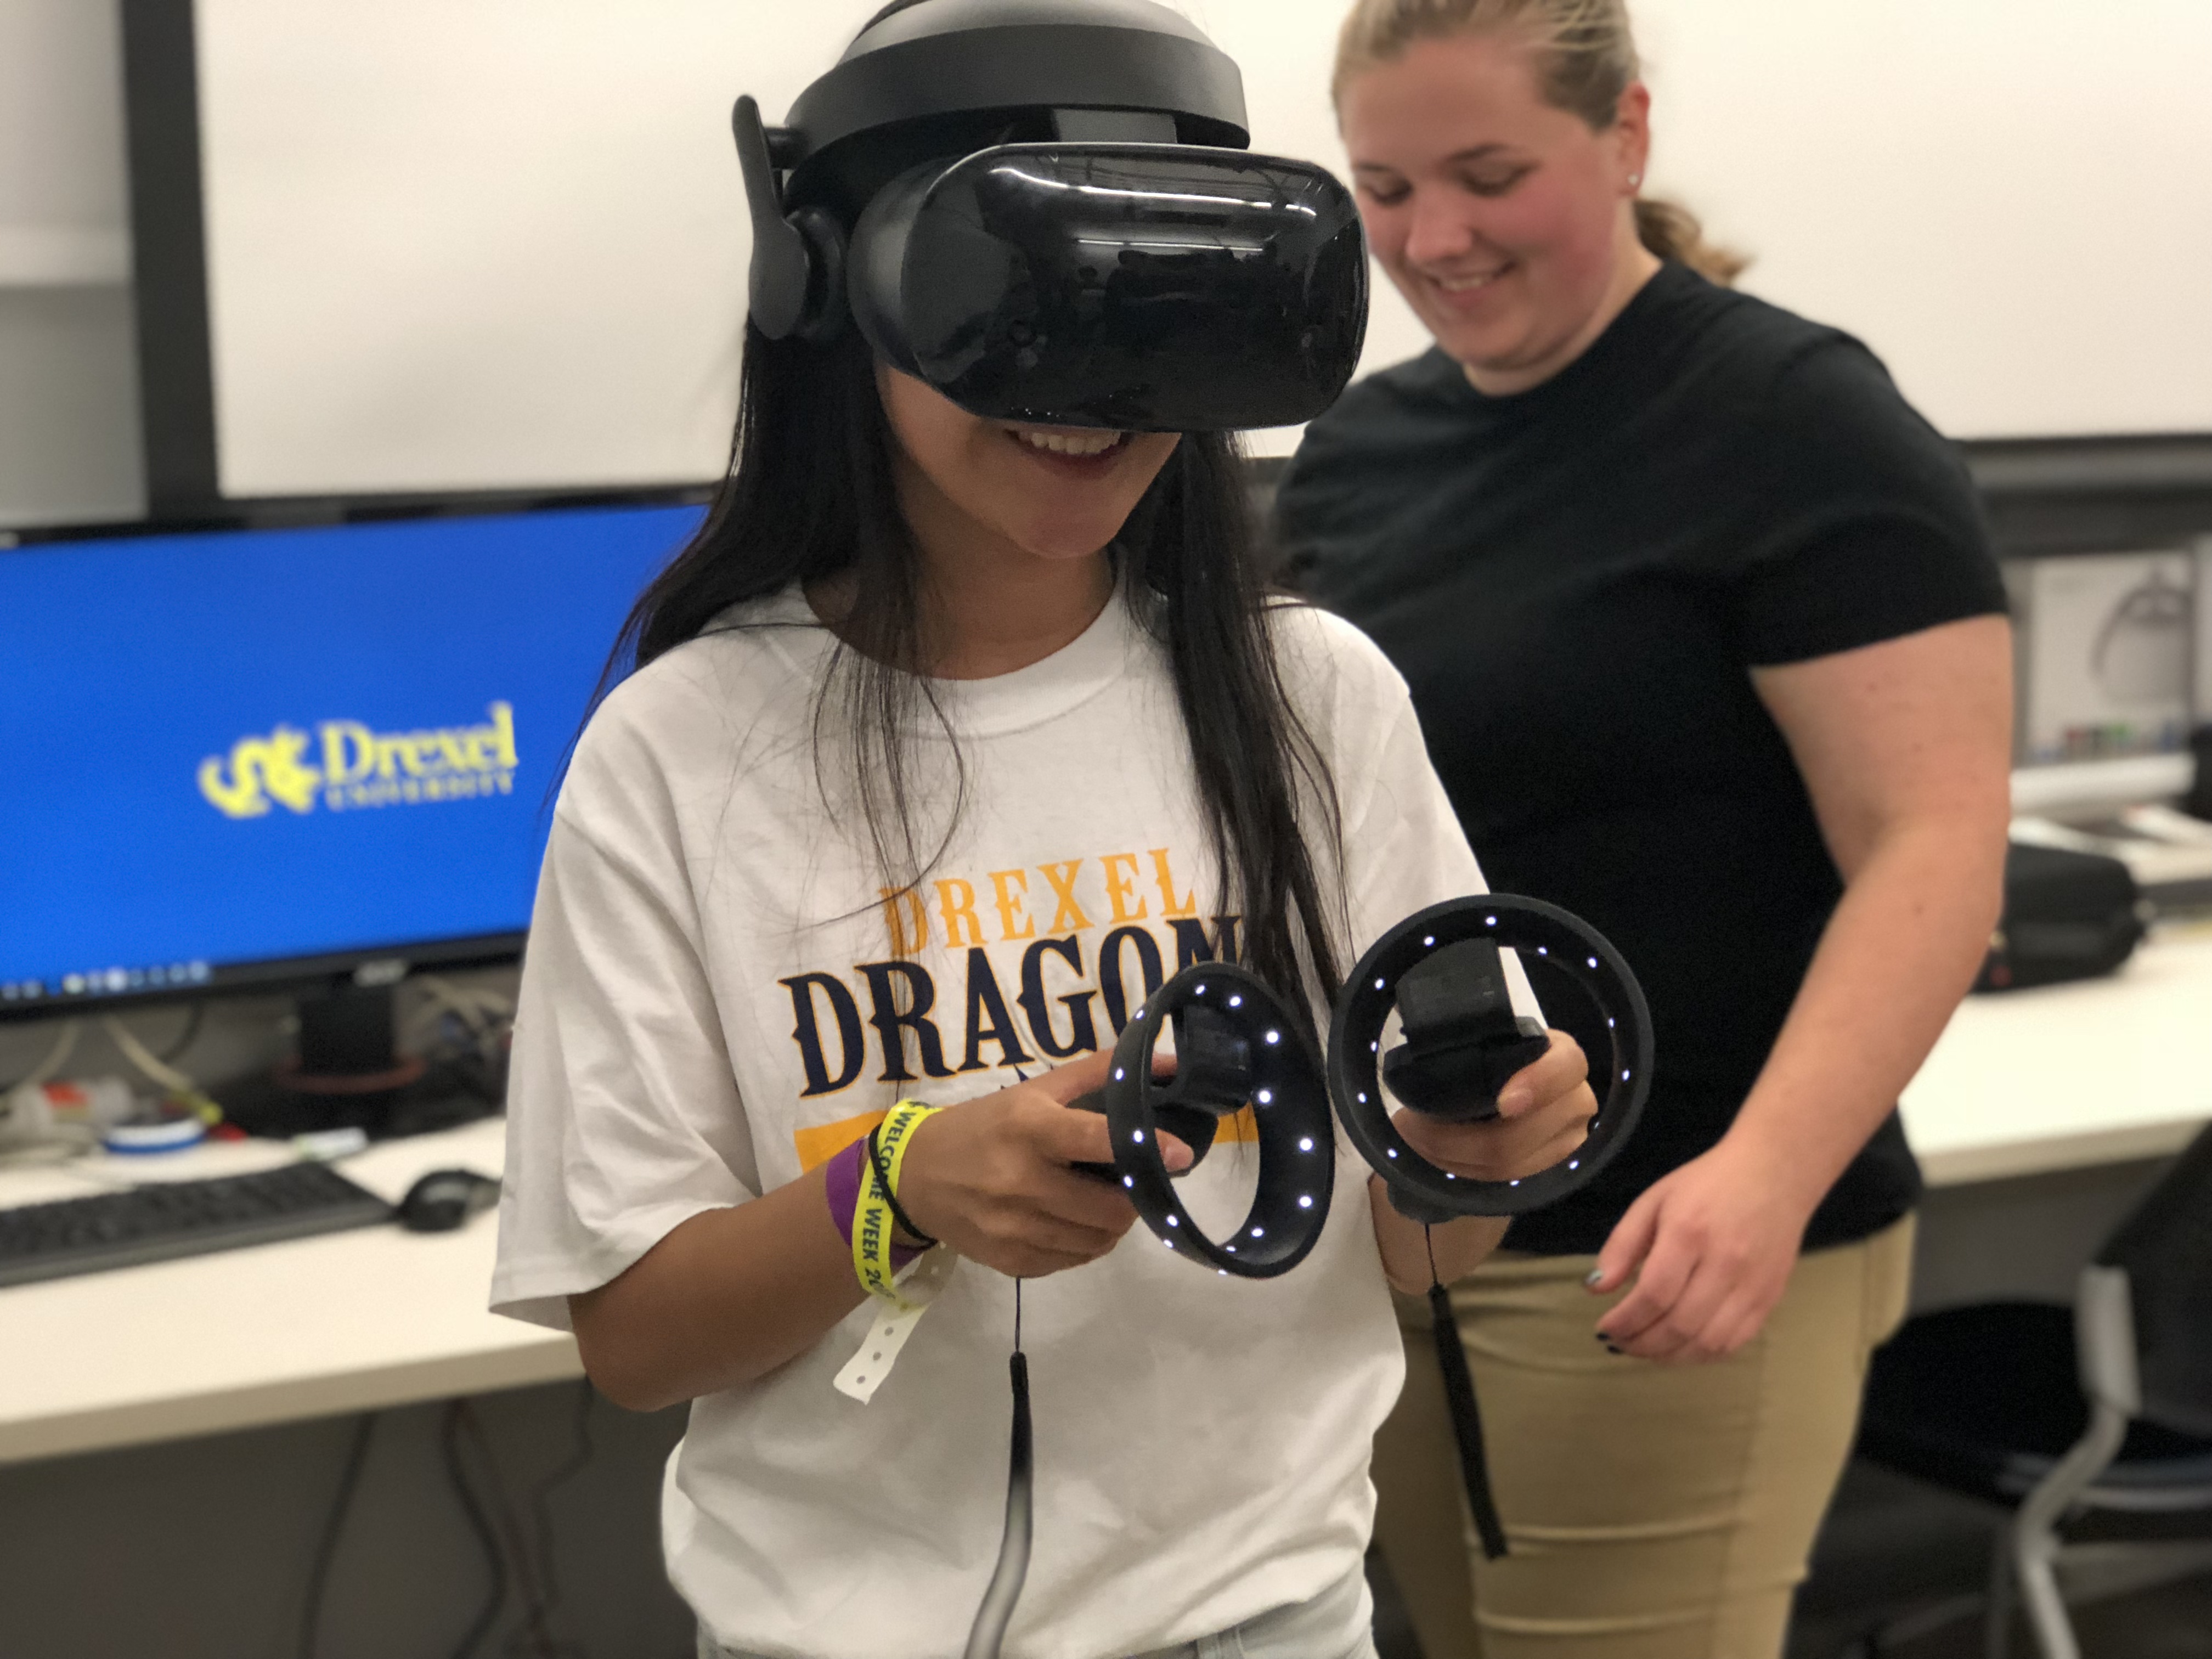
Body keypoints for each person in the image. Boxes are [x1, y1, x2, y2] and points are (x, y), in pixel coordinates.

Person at [489, 4, 1596, 1656]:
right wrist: (904, 1188)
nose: (1091, 405)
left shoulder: (1318, 701)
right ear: (833, 298)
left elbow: (1418, 1252)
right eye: (1021, 316)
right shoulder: (683, 754)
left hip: (1267, 1620)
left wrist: (1474, 1150)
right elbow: (638, 1338)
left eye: (1149, 329)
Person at [1274, 2, 2016, 1655]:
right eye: (1384, 189)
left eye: (1488, 175)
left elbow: (1940, 847)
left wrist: (1759, 1176)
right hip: (1419, 1240)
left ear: (1625, 138)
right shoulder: (1356, 452)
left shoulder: (1790, 419)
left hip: (1671, 1242)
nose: (1433, 239)